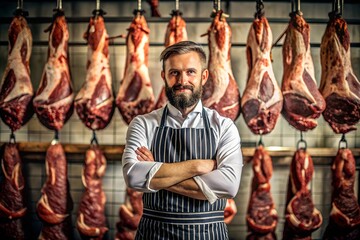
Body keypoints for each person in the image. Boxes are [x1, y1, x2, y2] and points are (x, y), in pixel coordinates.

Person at [122, 40, 243, 239]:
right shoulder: (143, 124)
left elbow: (229, 185)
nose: (182, 80)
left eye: (190, 72)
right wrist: (198, 166)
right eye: (174, 72)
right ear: (164, 76)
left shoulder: (223, 126)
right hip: (155, 234)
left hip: (208, 234)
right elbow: (134, 177)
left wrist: (155, 170)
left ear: (204, 76)